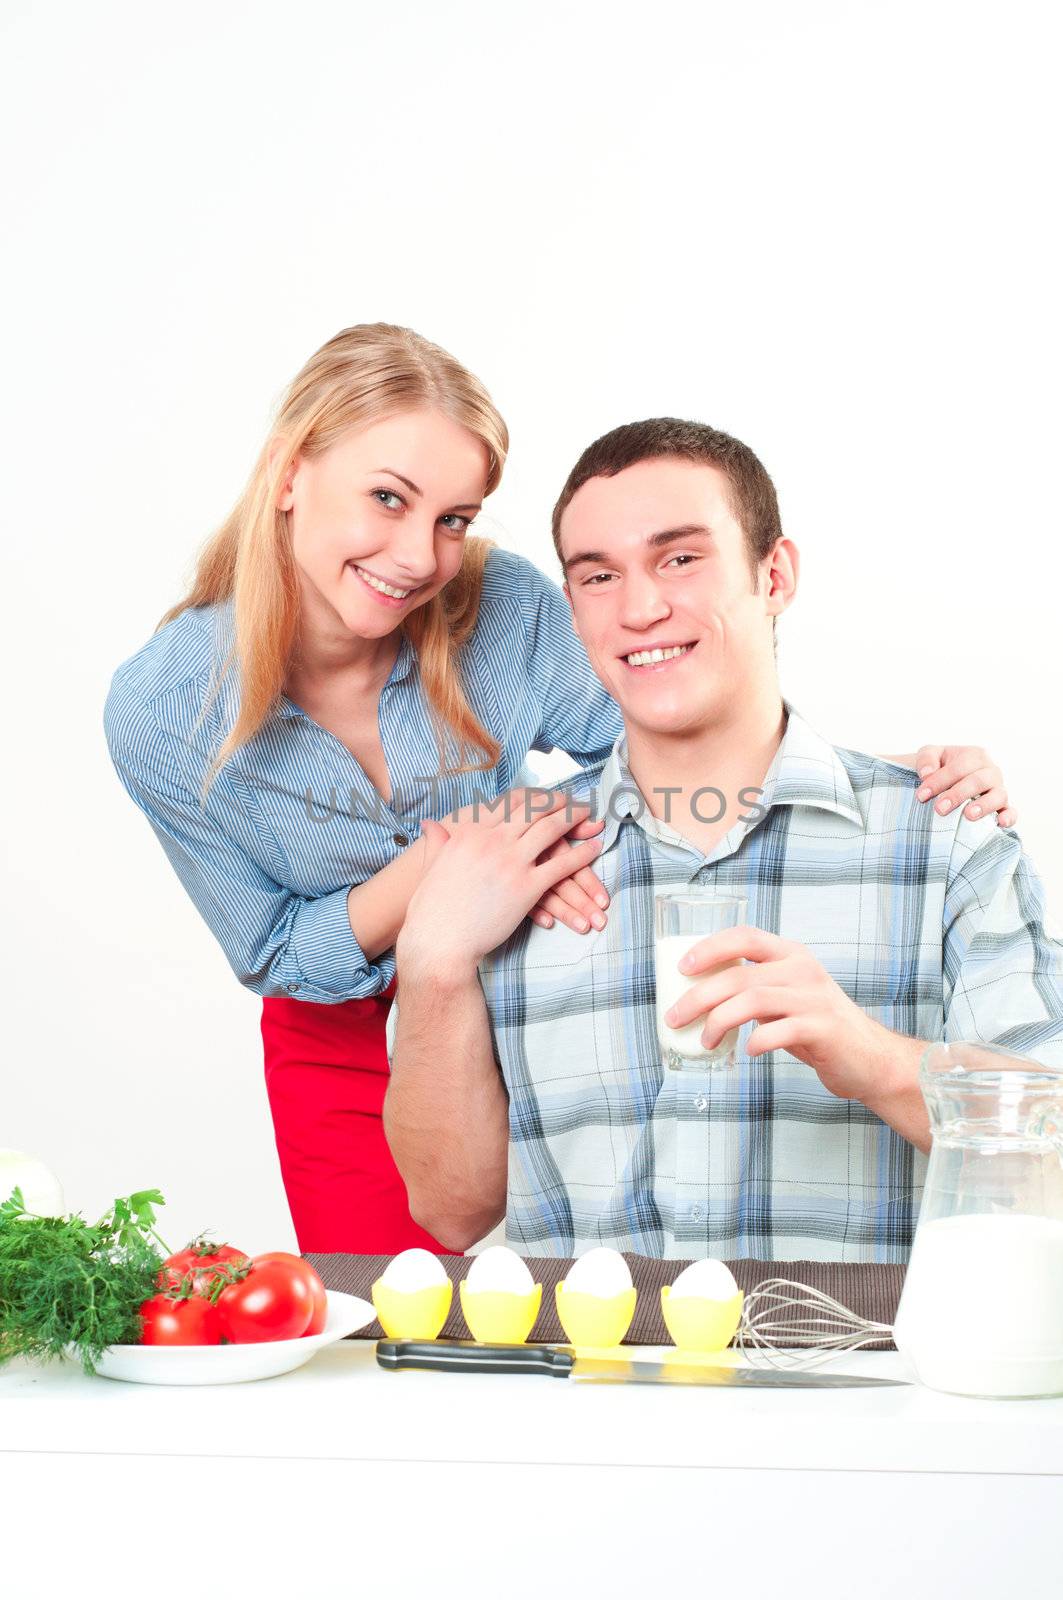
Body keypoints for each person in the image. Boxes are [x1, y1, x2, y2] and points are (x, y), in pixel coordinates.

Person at [106, 325, 1012, 1255]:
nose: (420, 557)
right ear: (286, 473)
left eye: (453, 519)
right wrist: (457, 870)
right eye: (386, 498)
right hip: (340, 1012)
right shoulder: (165, 711)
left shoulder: (500, 607)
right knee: (386, 1316)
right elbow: (271, 947)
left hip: (520, 923)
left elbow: (664, 722)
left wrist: (885, 788)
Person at [385, 418, 1063, 1263]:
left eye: (679, 558)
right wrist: (431, 962)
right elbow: (450, 1211)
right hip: (593, 1392)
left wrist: (870, 1057)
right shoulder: (504, 871)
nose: (640, 608)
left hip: (859, 1387)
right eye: (599, 576)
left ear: (773, 575)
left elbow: (1052, 1158)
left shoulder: (943, 847)